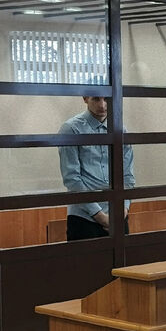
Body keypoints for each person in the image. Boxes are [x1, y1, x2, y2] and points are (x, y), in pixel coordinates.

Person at [58, 96, 134, 240]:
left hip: (118, 216)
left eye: (106, 99)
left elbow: (127, 176)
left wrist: (122, 211)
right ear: (85, 98)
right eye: (96, 99)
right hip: (84, 218)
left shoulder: (120, 129)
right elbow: (72, 179)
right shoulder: (71, 129)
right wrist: (101, 217)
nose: (102, 105)